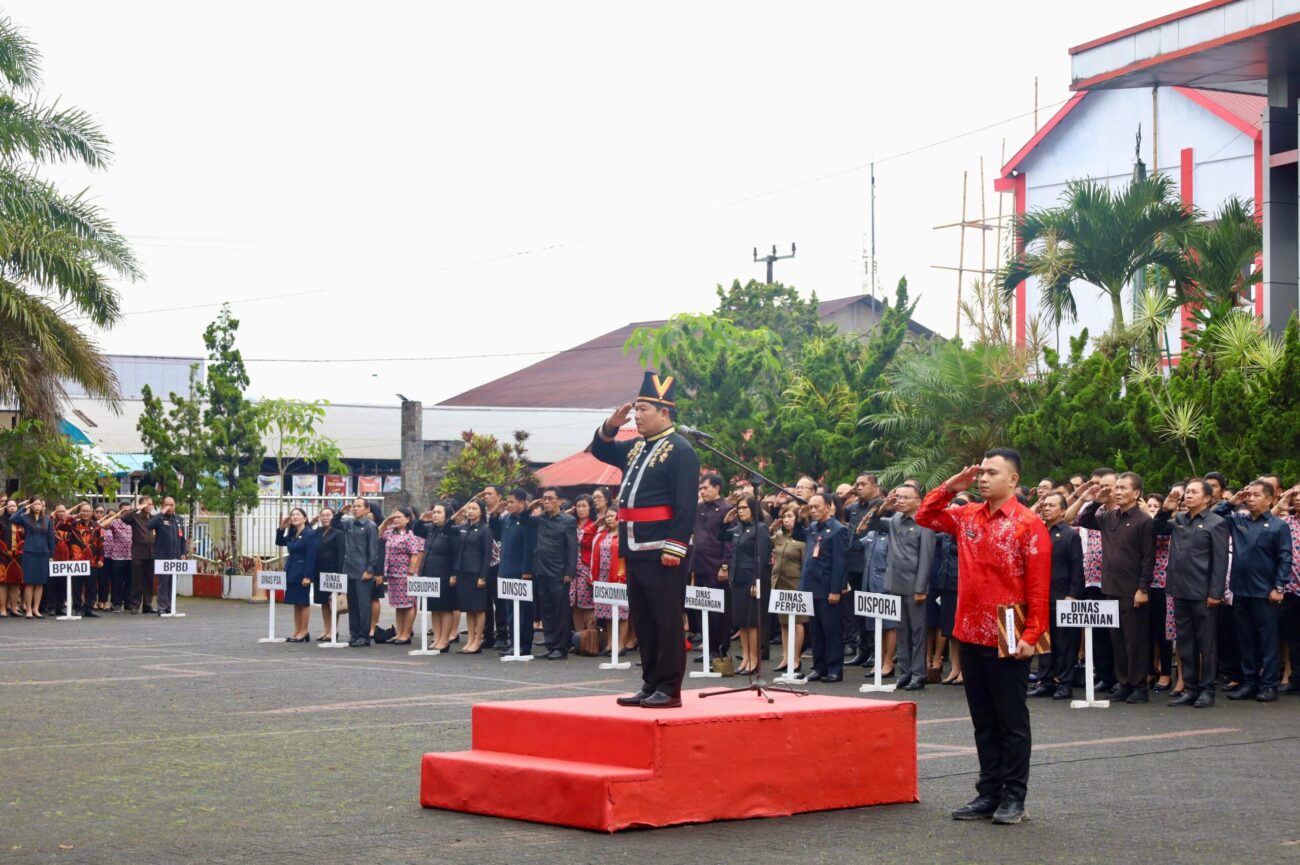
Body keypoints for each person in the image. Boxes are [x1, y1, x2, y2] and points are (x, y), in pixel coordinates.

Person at [916, 449, 1050, 826]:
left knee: (1011, 719)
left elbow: (1039, 588)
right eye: (981, 473)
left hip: (1010, 632)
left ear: (1014, 480)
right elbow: (925, 515)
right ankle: (988, 792)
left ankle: (1014, 797)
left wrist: (1032, 633)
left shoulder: (1028, 524)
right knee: (983, 720)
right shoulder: (966, 514)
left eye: (993, 472)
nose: (983, 478)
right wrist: (950, 486)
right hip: (969, 630)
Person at [591, 371, 700, 708]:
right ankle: (650, 682)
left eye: (644, 409)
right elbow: (600, 451)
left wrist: (675, 546)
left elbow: (685, 505)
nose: (637, 415)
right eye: (636, 409)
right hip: (634, 547)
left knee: (666, 619)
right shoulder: (637, 446)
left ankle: (669, 688)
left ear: (665, 412)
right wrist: (610, 425)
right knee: (644, 619)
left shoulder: (681, 450)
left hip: (662, 549)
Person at [1076, 472, 1155, 704]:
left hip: (1132, 589)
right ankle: (1124, 682)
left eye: (1123, 488)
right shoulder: (1109, 516)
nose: (1117, 491)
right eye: (1116, 487)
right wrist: (1096, 500)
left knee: (1135, 640)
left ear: (1136, 493)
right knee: (1117, 639)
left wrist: (1143, 588)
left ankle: (1139, 686)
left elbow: (1148, 557)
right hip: (1109, 586)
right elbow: (1084, 520)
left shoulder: (1144, 520)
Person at [1213, 480, 1293, 702]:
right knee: (1245, 639)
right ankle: (1250, 682)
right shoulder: (1239, 520)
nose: (1251, 498)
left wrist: (1279, 586)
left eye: (1257, 495)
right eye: (1249, 495)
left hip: (1265, 592)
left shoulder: (1278, 525)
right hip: (1240, 590)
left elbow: (1285, 559)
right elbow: (1215, 516)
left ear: (1269, 500)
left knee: (1267, 640)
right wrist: (1232, 501)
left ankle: (1268, 685)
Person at [1154, 479, 1230, 707]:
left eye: (1194, 492)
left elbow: (1220, 561)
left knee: (1206, 644)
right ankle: (1190, 686)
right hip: (1179, 589)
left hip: (1203, 592)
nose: (1188, 495)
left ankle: (1207, 689)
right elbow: (1156, 529)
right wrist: (1165, 508)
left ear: (1207, 498)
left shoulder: (1216, 522)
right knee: (1185, 643)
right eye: (1187, 492)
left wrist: (1215, 592)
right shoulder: (1178, 519)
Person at [868, 484, 935, 691]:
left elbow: (927, 558)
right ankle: (904, 673)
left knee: (917, 632)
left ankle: (918, 674)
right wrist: (883, 507)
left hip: (915, 585)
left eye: (906, 497)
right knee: (901, 631)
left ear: (918, 501)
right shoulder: (895, 519)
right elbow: (874, 523)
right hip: (895, 584)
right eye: (898, 497)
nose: (901, 501)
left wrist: (921, 588)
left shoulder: (925, 524)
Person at [1029, 493, 1083, 700]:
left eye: (1052, 505)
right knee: (1044, 641)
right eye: (1045, 505)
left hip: (1062, 596)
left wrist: (1073, 595)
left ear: (1063, 510)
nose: (1046, 508)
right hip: (1040, 597)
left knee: (1065, 643)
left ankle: (1065, 682)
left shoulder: (1070, 534)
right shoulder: (1038, 532)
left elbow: (1078, 568)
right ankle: (1046, 680)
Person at [797, 492, 850, 683]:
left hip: (828, 588)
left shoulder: (837, 529)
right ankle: (820, 667)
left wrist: (836, 589)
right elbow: (797, 535)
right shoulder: (812, 527)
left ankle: (835, 668)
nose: (812, 511)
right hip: (812, 586)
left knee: (831, 630)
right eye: (810, 507)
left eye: (816, 507)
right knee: (816, 631)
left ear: (828, 507)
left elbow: (840, 563)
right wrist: (800, 517)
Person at [520, 488, 577, 660]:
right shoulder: (541, 520)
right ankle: (550, 644)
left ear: (559, 501)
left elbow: (572, 548)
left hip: (559, 572)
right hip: (541, 570)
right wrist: (531, 506)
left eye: (550, 498)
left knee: (560, 611)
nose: (546, 502)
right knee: (546, 610)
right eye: (544, 499)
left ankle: (561, 647)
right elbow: (523, 519)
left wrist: (570, 572)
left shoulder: (568, 521)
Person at [721, 494, 771, 675]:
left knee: (752, 623)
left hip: (751, 578)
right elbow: (721, 537)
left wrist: (755, 580)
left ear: (753, 509)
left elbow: (762, 557)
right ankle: (746, 657)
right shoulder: (738, 528)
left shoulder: (760, 528)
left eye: (744, 508)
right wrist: (725, 521)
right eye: (739, 508)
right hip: (737, 578)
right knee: (741, 622)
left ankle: (755, 659)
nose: (740, 511)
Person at [690, 475, 733, 665]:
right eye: (700, 488)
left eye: (706, 488)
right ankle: (708, 647)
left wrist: (725, 565)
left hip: (716, 567)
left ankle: (720, 649)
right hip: (699, 565)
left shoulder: (726, 509)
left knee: (719, 612)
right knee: (702, 608)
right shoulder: (698, 508)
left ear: (717, 488)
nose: (702, 491)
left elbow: (729, 541)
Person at [929, 494, 967, 685]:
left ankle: (965, 671)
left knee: (961, 631)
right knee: (949, 630)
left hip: (961, 585)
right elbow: (926, 523)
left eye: (955, 510)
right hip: (945, 584)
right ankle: (955, 668)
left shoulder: (967, 533)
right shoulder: (944, 534)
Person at [844, 473, 881, 667]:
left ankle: (877, 652)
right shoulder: (853, 508)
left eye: (863, 484)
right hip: (854, 563)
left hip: (873, 565)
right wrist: (847, 493)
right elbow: (834, 507)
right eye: (856, 484)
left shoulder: (881, 506)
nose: (858, 487)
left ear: (874, 487)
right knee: (858, 611)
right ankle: (863, 650)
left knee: (872, 611)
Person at [1144, 489, 1179, 692]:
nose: (1152, 511)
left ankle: (1166, 673)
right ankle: (1149, 670)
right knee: (1147, 630)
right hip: (1147, 582)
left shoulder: (1173, 524)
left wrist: (1163, 513)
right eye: (1148, 507)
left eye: (1156, 507)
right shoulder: (1145, 525)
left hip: (1166, 582)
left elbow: (1159, 527)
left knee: (1164, 632)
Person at [335, 497, 382, 647]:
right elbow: (335, 524)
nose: (355, 508)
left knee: (364, 605)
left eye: (359, 506)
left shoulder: (370, 526)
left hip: (363, 571)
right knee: (352, 605)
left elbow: (373, 551)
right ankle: (354, 634)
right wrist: (340, 513)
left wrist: (369, 570)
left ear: (367, 509)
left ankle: (364, 635)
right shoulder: (348, 523)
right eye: (354, 506)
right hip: (349, 569)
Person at [495, 490, 536, 655]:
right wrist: (495, 513)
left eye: (512, 502)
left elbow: (529, 547)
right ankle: (513, 643)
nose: (509, 505)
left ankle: (524, 645)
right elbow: (496, 534)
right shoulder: (506, 519)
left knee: (523, 612)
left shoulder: (527, 521)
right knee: (510, 610)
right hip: (506, 570)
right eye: (508, 502)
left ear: (522, 503)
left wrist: (527, 570)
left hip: (521, 572)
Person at [450, 500, 491, 653]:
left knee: (478, 608)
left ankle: (477, 640)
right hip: (462, 572)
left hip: (476, 573)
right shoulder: (463, 527)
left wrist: (483, 576)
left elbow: (487, 555)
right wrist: (458, 514)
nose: (471, 511)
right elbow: (447, 529)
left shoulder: (484, 529)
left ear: (481, 512)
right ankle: (469, 640)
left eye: (474, 509)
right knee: (468, 608)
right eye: (469, 509)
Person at [379, 506, 424, 645]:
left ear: (408, 518)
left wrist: (410, 573)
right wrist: (387, 520)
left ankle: (406, 633)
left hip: (405, 573)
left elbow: (415, 555)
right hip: (392, 573)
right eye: (395, 517)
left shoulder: (411, 534)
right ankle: (399, 632)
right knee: (398, 605)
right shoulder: (391, 532)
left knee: (408, 604)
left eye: (399, 517)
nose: (396, 519)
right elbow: (378, 533)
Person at [770, 504, 806, 674]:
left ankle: (796, 658)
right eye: (784, 517)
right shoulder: (779, 536)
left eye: (790, 516)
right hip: (778, 582)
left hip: (795, 584)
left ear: (797, 518)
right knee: (783, 622)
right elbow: (763, 542)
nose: (786, 520)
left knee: (797, 622)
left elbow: (806, 564)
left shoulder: (803, 539)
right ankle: (785, 656)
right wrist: (771, 528)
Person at [419, 502, 460, 651]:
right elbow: (417, 530)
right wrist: (422, 519)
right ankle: (436, 638)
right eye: (434, 512)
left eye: (438, 512)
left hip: (444, 573)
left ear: (447, 516)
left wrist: (454, 574)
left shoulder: (452, 531)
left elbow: (456, 554)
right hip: (429, 572)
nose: (434, 514)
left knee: (445, 608)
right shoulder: (431, 529)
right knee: (434, 608)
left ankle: (444, 640)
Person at [592, 508, 632, 650]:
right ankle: (610, 643)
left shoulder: (625, 535)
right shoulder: (602, 534)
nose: (609, 519)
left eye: (612, 516)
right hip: (603, 577)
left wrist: (624, 576)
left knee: (621, 612)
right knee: (607, 612)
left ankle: (621, 644)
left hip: (619, 577)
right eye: (607, 517)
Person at [276, 507, 319, 642]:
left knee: (303, 602)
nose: (294, 517)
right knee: (296, 603)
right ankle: (297, 630)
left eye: (298, 515)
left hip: (302, 573)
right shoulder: (293, 533)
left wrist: (307, 576)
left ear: (305, 518)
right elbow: (279, 542)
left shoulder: (309, 534)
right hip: (291, 571)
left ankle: (304, 631)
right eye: (292, 515)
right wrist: (281, 528)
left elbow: (311, 556)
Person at [12, 498, 56, 618]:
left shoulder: (47, 519)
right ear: (31, 505)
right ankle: (29, 609)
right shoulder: (25, 518)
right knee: (29, 582)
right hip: (29, 552)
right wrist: (24, 507)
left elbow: (51, 538)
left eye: (40, 504)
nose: (37, 506)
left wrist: (51, 554)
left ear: (43, 506)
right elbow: (13, 518)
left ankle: (36, 609)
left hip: (43, 553)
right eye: (35, 504)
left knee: (40, 583)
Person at [148, 497, 188, 615]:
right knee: (163, 583)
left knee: (172, 583)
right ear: (163, 505)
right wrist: (162, 513)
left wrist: (183, 553)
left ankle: (171, 606)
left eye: (172, 505)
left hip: (175, 557)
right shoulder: (159, 519)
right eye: (167, 505)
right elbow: (149, 525)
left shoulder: (178, 519)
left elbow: (182, 539)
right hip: (162, 557)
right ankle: (162, 607)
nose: (170, 507)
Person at [312, 507, 346, 641]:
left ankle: (333, 630)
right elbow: (305, 533)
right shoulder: (317, 532)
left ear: (333, 517)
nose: (325, 517)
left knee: (333, 603)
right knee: (324, 603)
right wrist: (311, 523)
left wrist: (339, 575)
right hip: (319, 573)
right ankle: (326, 629)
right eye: (323, 515)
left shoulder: (338, 533)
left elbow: (341, 555)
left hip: (332, 572)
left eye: (328, 515)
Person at [65, 502, 104, 617]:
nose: (85, 513)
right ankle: (77, 608)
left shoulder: (96, 526)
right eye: (83, 511)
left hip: (93, 560)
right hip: (77, 560)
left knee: (91, 586)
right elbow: (61, 524)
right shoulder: (73, 524)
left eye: (87, 511)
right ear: (80, 512)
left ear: (92, 512)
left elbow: (101, 543)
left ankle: (89, 608)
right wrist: (75, 511)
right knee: (77, 586)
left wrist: (101, 559)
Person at [569, 494, 599, 634]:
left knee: (587, 603)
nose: (580, 510)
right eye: (578, 506)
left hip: (586, 566)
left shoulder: (595, 525)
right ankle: (578, 637)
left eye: (584, 506)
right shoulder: (571, 523)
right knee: (574, 603)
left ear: (590, 508)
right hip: (571, 567)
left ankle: (590, 638)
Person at [123, 496, 157, 614]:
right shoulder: (135, 517)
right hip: (138, 553)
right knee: (136, 581)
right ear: (141, 505)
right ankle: (134, 605)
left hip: (152, 553)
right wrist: (137, 508)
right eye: (147, 504)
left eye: (151, 504)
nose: (149, 506)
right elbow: (124, 517)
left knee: (149, 581)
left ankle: (147, 605)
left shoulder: (154, 518)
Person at [98, 504, 133, 613]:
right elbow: (102, 525)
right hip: (118, 556)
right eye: (124, 511)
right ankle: (116, 604)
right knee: (117, 582)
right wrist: (116, 515)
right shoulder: (115, 523)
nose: (127, 513)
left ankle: (128, 604)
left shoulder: (134, 523)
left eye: (129, 511)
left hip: (131, 556)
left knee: (129, 582)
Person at [0, 499, 23, 616]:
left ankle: (14, 608)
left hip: (17, 555)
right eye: (10, 506)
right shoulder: (1, 521)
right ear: (5, 508)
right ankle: (3, 608)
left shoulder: (20, 521)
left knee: (15, 583)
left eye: (14, 506)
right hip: (3, 554)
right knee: (3, 583)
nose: (13, 508)